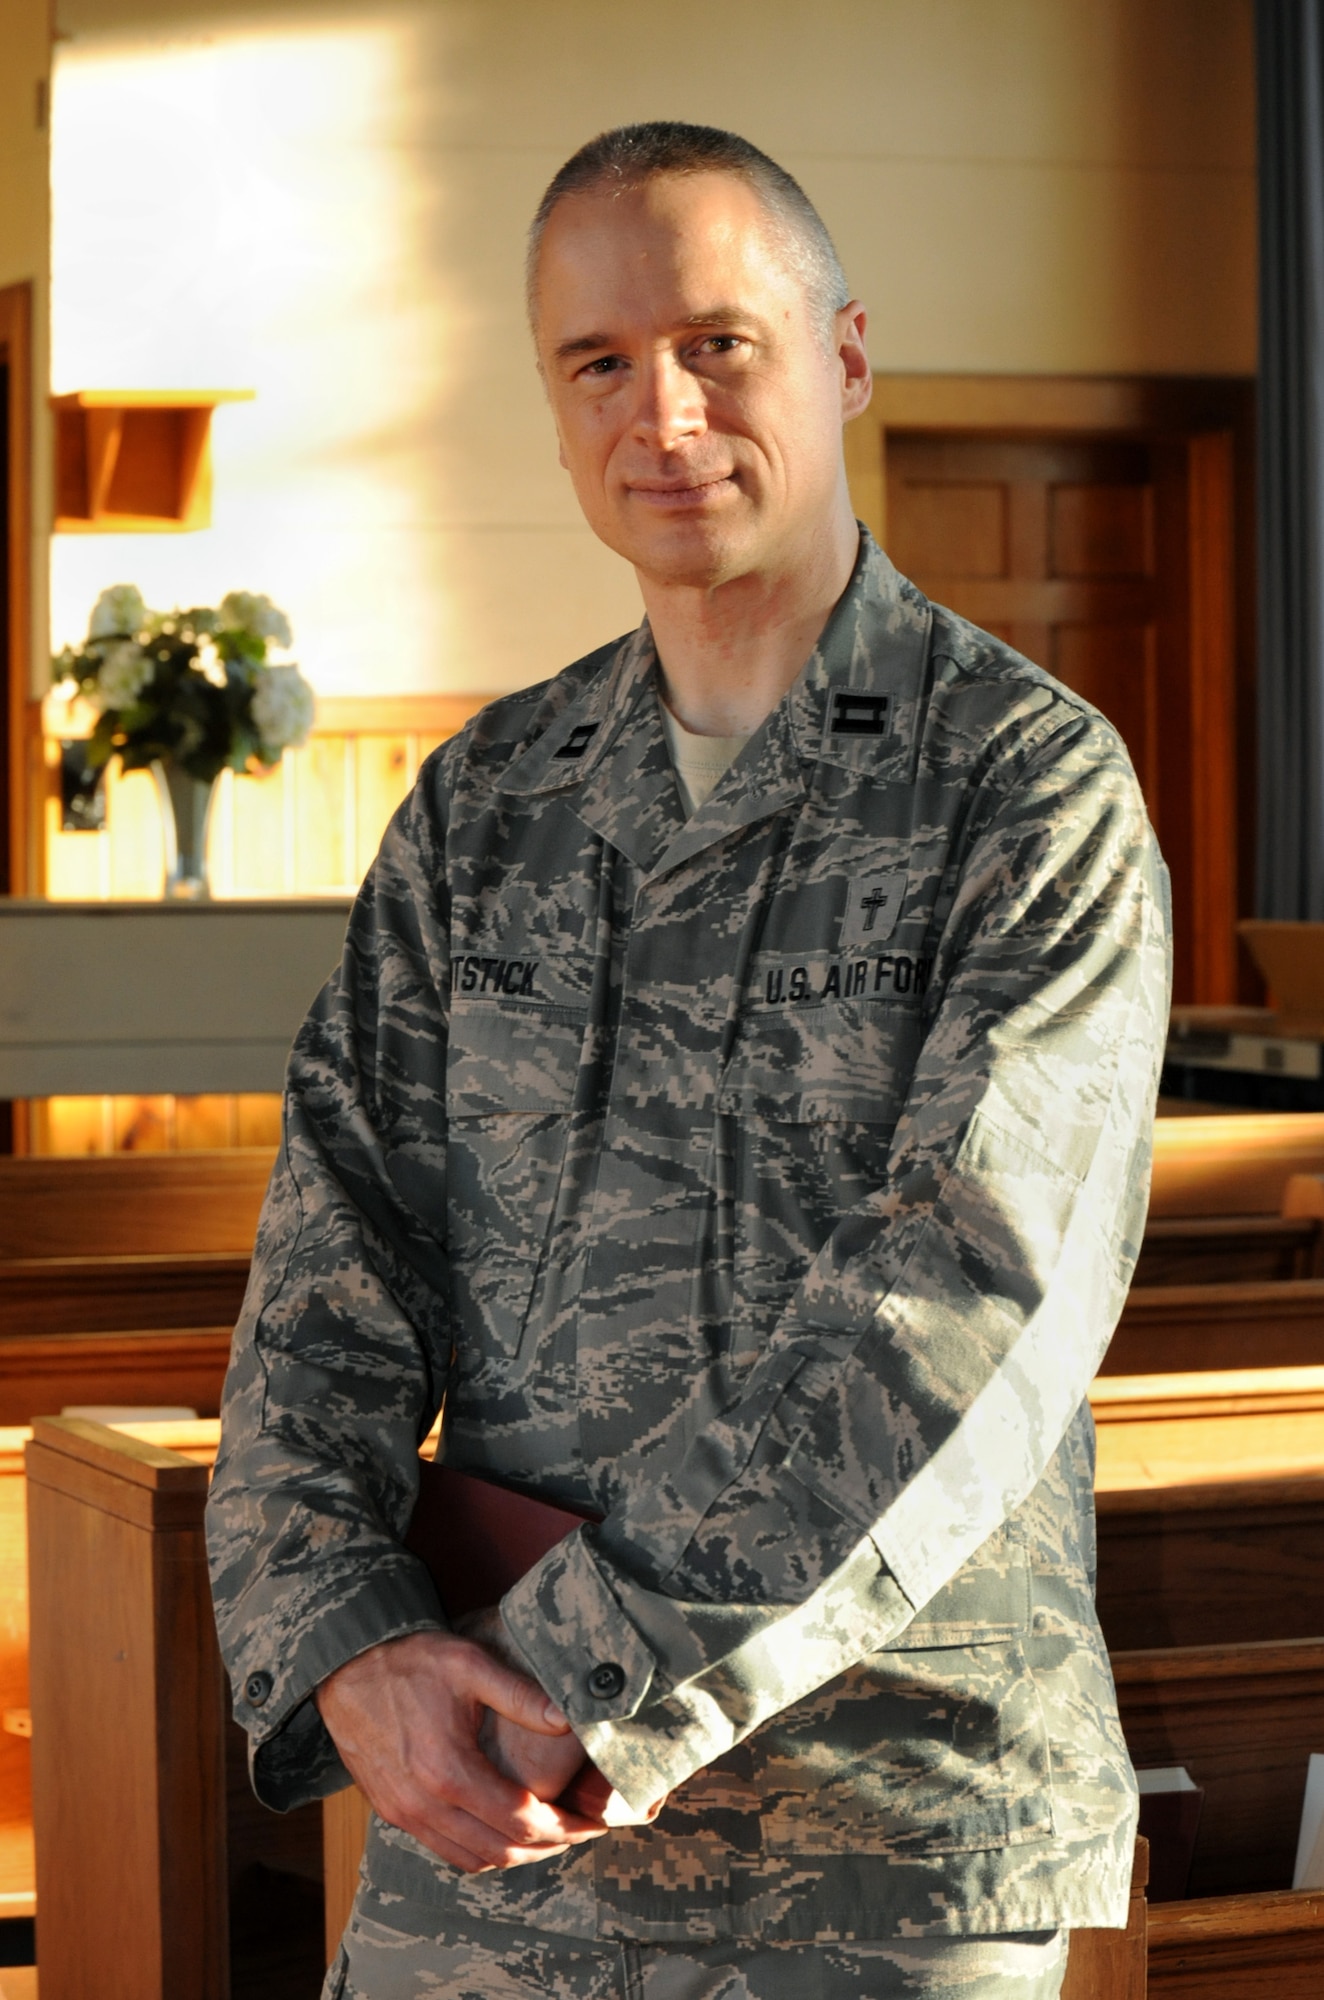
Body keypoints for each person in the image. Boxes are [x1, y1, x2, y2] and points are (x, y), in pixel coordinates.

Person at [207, 121, 1171, 2000]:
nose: (664, 411)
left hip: (885, 1830)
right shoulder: (489, 801)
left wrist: (584, 1665)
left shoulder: (1023, 785)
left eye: (721, 342)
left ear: (848, 358)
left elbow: (966, 1298)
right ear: (557, 411)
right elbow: (330, 1251)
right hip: (493, 1811)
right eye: (599, 362)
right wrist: (346, 1639)